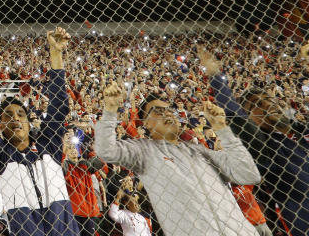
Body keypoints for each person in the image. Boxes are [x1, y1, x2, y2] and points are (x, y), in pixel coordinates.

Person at [94, 80, 261, 236]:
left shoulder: (199, 151)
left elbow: (249, 175)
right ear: (146, 123)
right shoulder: (144, 152)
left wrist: (223, 129)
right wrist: (110, 111)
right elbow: (106, 150)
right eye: (158, 111)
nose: (167, 114)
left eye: (168, 110)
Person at [0, 29, 79, 236]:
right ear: (0, 126)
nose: (16, 119)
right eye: (8, 116)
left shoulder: (49, 146)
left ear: (30, 122)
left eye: (21, 114)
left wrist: (56, 55)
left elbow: (59, 106)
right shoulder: (1, 156)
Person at [200, 44, 309, 235]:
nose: (268, 104)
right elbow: (235, 116)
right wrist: (216, 75)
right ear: (250, 119)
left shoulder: (302, 130)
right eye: (257, 105)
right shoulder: (265, 146)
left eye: (269, 99)